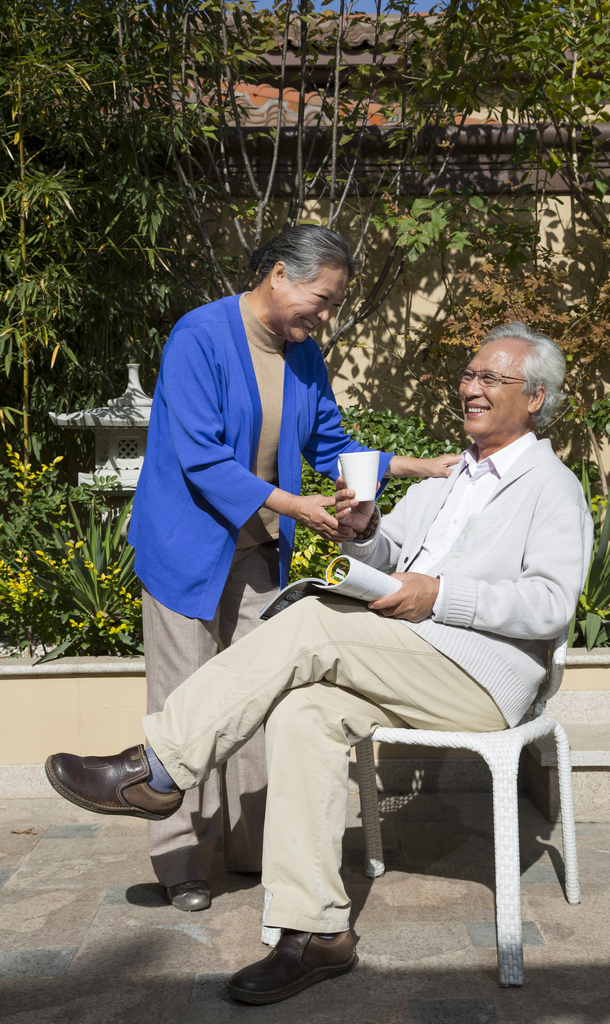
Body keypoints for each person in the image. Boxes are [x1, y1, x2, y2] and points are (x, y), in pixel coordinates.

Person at [46, 323, 593, 1004]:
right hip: (410, 662)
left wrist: (441, 595)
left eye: (491, 379)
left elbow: (548, 605)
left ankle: (156, 767)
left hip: (481, 678)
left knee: (308, 620)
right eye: (469, 375)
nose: (471, 389)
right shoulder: (450, 479)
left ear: (534, 399)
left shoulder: (550, 486)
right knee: (304, 713)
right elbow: (392, 556)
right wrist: (364, 535)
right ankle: (315, 934)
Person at [126, 225, 459, 912]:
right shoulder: (200, 335)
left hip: (256, 551)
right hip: (186, 547)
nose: (326, 315)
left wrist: (418, 466)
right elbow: (201, 458)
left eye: (334, 304)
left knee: (253, 695)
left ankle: (252, 845)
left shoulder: (303, 356)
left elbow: (333, 442)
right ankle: (182, 860)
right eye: (322, 298)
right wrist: (299, 508)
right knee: (184, 697)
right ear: (279, 274)